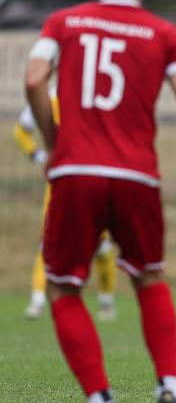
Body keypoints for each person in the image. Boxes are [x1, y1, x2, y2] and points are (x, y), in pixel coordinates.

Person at [24, 0, 176, 403]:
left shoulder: (63, 22)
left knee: (64, 287)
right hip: (137, 176)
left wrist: (55, 143)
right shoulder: (165, 34)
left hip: (75, 173)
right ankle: (169, 390)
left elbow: (34, 79)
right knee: (149, 278)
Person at [14, 101, 119, 321]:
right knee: (49, 241)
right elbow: (21, 130)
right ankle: (37, 300)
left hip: (93, 179)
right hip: (60, 181)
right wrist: (39, 156)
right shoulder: (49, 98)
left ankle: (106, 300)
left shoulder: (93, 97)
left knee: (101, 244)